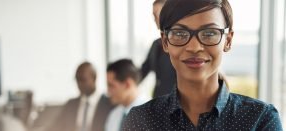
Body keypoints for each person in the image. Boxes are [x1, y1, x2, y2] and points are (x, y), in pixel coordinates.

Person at [122, 0, 283, 130]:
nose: (194, 47)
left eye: (209, 33)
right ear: (165, 42)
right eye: (179, 33)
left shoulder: (260, 120)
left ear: (228, 40)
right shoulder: (140, 120)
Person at [47, 61, 115, 131]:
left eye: (83, 79)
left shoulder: (110, 104)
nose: (79, 84)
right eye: (77, 79)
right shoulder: (70, 105)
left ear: (94, 78)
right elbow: (53, 127)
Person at [140, 0, 176, 98]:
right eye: (153, 15)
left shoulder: (180, 44)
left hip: (177, 103)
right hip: (158, 100)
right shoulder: (155, 44)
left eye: (157, 14)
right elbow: (143, 70)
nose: (154, 18)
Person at [105, 59, 149, 131]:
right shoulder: (114, 115)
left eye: (111, 86)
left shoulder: (152, 114)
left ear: (127, 84)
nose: (108, 92)